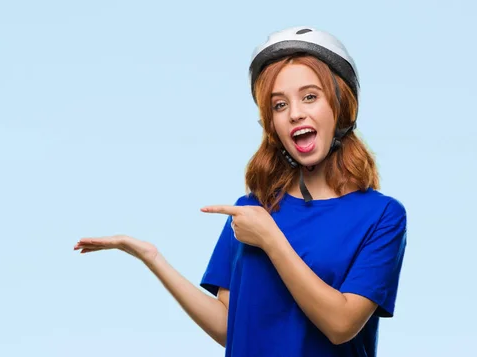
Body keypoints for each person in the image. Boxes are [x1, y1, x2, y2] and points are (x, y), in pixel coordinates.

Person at [74, 25, 407, 357]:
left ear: (341, 106)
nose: (294, 113)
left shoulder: (382, 216)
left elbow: (341, 325)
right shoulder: (250, 211)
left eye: (310, 96)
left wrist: (271, 239)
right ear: (271, 124)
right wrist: (152, 258)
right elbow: (227, 326)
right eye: (279, 105)